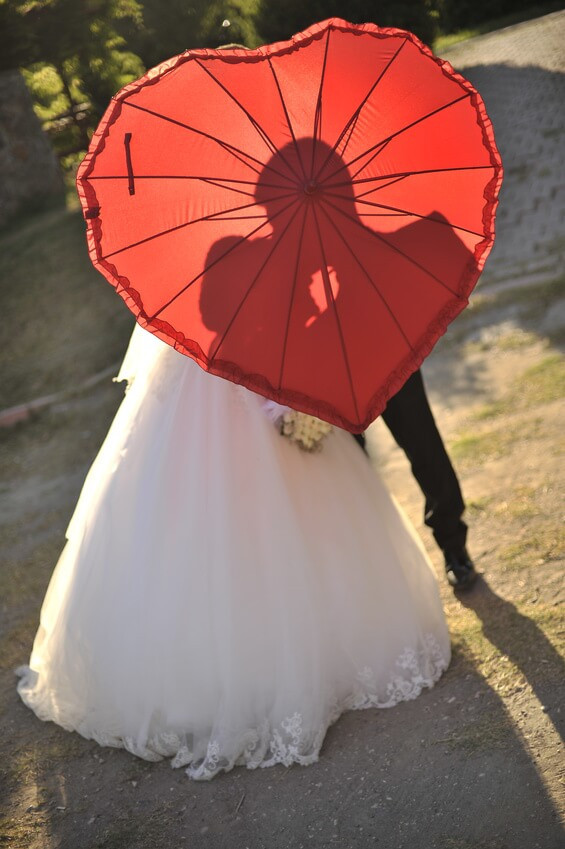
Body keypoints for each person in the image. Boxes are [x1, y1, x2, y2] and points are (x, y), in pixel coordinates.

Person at [353, 373, 478, 591]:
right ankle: (376, 562)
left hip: (380, 348)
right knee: (351, 466)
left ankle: (453, 543)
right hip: (321, 366)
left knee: (422, 440)